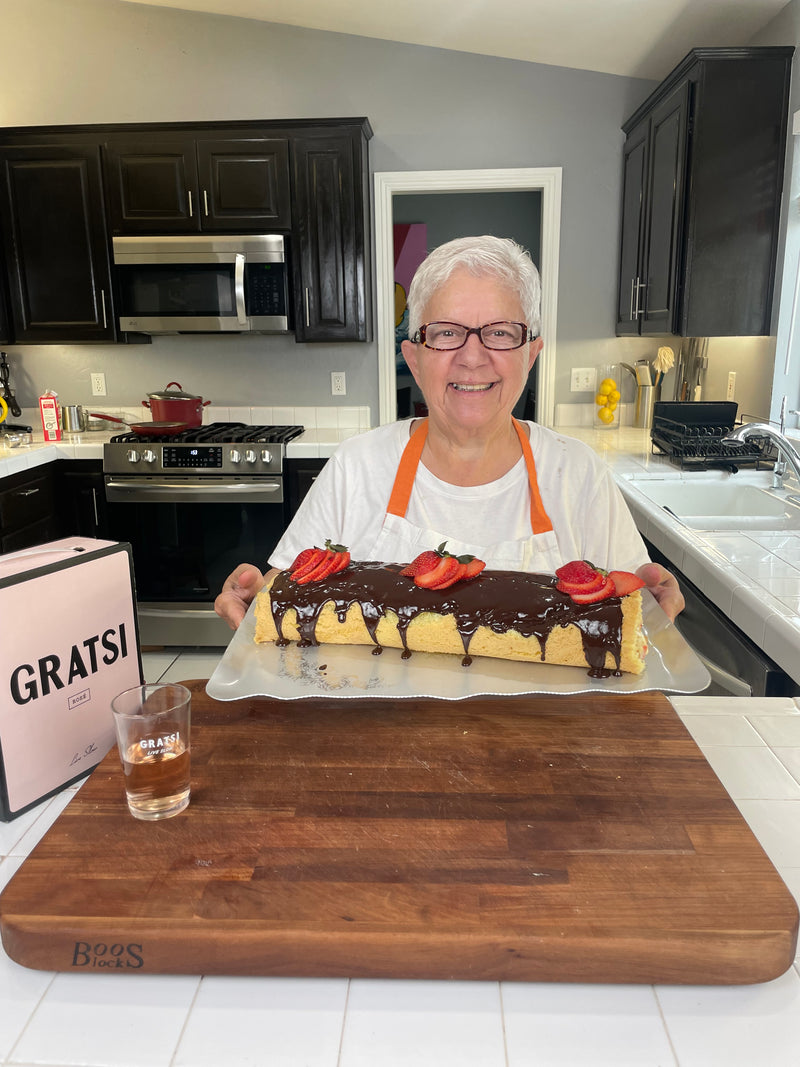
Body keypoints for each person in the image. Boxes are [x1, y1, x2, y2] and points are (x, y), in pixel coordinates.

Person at [215, 235, 684, 629]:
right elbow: (283, 599)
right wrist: (252, 597)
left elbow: (632, 616)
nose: (473, 357)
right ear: (415, 358)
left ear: (532, 354)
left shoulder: (578, 473)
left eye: (500, 332)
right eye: (445, 333)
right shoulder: (356, 466)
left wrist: (655, 606)